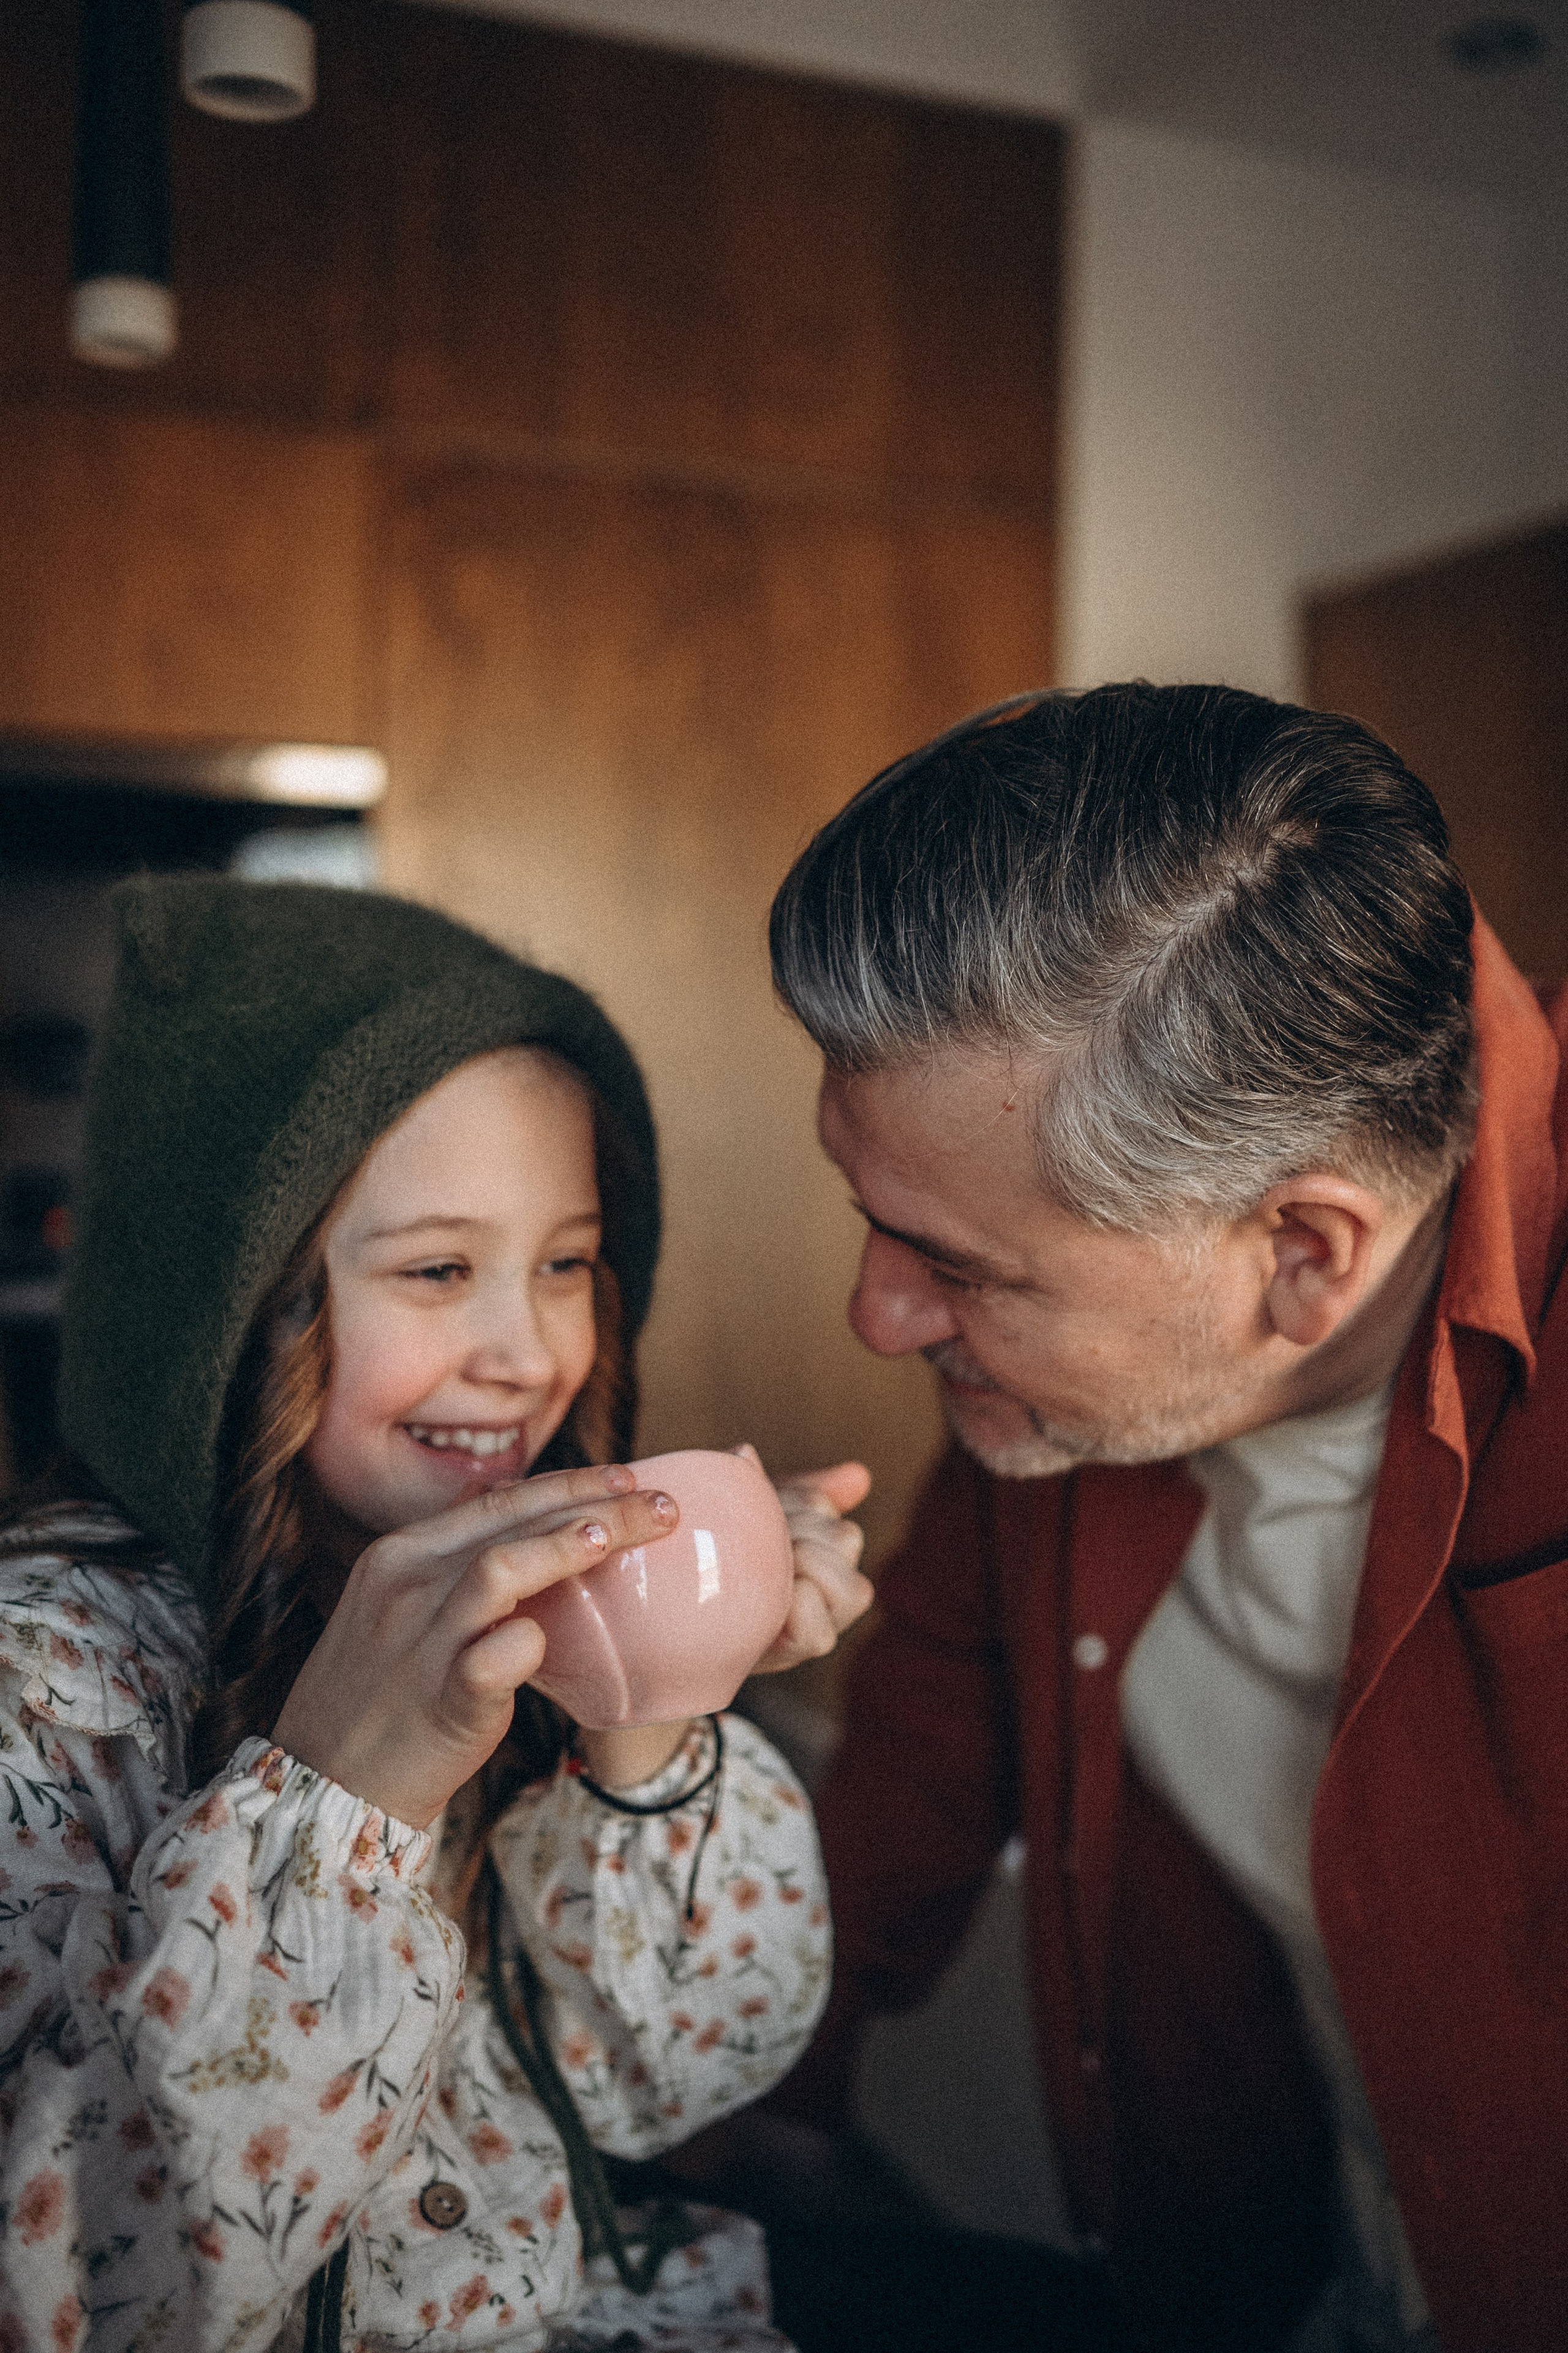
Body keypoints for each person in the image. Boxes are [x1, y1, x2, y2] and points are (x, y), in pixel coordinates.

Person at [763, 683, 1568, 2353]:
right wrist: (750, 2103)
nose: (876, 1317)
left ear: (1302, 1253)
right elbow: (921, 1750)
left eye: (959, 1267)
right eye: (877, 1220)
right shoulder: (1039, 1411)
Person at [0, 876, 871, 2352]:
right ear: (228, 1304)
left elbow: (663, 2077)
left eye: (568, 1264)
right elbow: (83, 2289)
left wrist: (653, 1705)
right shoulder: (43, 1688)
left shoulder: (522, 1616)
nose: (528, 1353)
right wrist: (346, 1795)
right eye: (437, 1270)